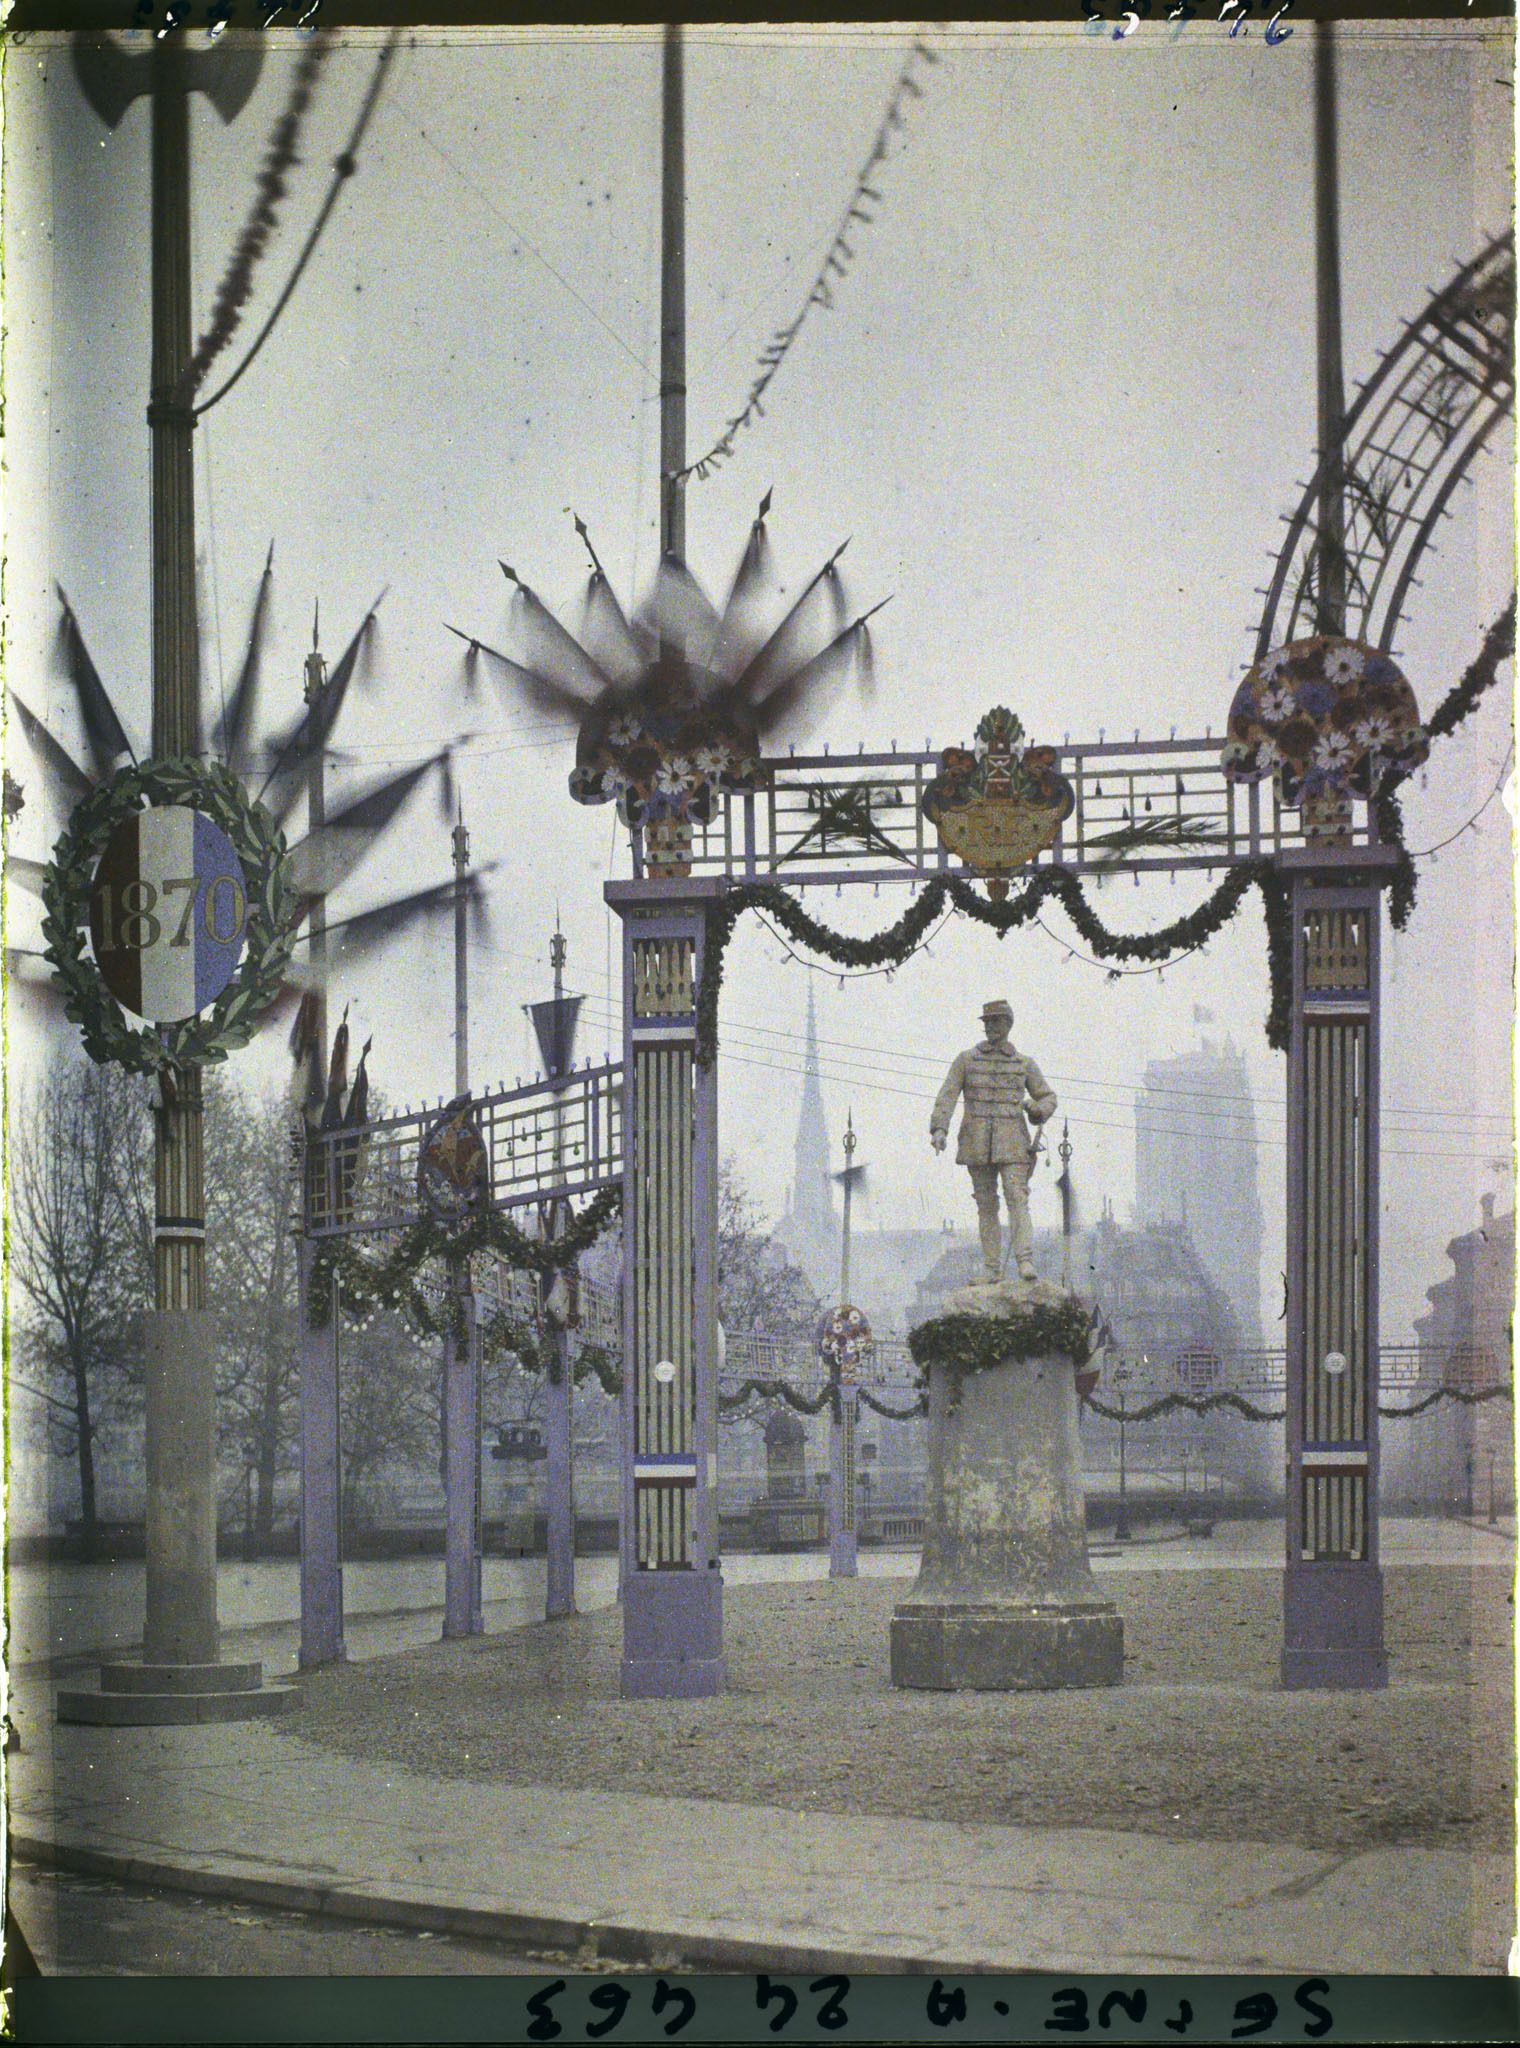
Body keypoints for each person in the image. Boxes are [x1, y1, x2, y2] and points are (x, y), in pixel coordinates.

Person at [930, 999, 1057, 1284]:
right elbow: (947, 1094)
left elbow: (1048, 1097)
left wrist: (1037, 1110)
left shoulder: (1024, 1064)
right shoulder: (966, 1060)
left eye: (996, 1021)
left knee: (1017, 1198)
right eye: (987, 1022)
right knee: (986, 1204)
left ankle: (1025, 1261)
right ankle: (991, 1268)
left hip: (1013, 1142)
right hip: (976, 1141)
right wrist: (940, 1129)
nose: (990, 1027)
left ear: (1009, 1024)